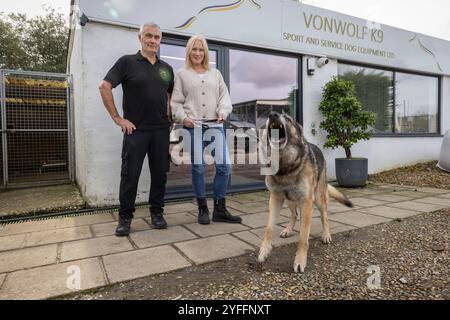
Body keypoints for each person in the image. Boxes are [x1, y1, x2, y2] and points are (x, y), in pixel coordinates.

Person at [99, 22, 174, 236]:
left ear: (160, 40)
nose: (153, 40)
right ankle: (125, 218)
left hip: (160, 130)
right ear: (140, 38)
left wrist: (171, 118)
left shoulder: (166, 69)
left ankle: (157, 214)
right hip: (136, 130)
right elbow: (104, 86)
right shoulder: (127, 63)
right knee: (130, 175)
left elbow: (169, 96)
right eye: (148, 36)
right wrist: (117, 118)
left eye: (157, 37)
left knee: (160, 175)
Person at [171, 35, 242, 225]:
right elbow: (175, 103)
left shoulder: (216, 74)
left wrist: (223, 111)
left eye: (201, 49)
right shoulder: (182, 74)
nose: (197, 53)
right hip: (192, 126)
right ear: (189, 51)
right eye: (194, 49)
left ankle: (219, 209)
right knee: (198, 167)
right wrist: (183, 118)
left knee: (225, 167)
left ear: (205, 52)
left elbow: (224, 97)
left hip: (215, 126)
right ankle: (202, 208)